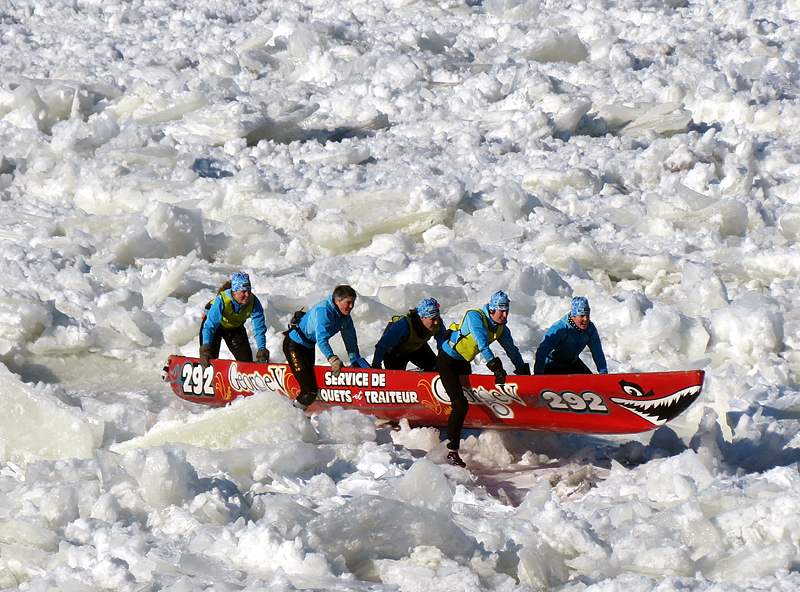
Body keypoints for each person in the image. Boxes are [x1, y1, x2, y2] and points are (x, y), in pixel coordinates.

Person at [437, 291, 530, 467]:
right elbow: (482, 343)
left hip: (463, 362)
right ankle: (452, 452)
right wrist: (495, 368)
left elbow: (512, 350)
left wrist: (521, 369)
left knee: (471, 401)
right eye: (501, 311)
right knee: (460, 404)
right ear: (492, 310)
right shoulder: (475, 317)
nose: (505, 315)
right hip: (447, 361)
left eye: (507, 311)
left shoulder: (500, 327)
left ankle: (462, 428)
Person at [283, 285, 370, 410]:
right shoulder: (324, 311)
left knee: (313, 389)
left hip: (308, 346)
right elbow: (321, 339)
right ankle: (293, 415)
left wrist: (356, 363)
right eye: (348, 303)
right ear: (337, 301)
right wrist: (332, 358)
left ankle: (304, 408)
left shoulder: (345, 317)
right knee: (309, 392)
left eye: (353, 303)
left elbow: (350, 342)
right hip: (294, 346)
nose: (351, 306)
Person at [199, 271, 269, 367]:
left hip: (235, 328)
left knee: (246, 362)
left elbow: (259, 328)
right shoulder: (221, 301)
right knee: (209, 359)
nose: (247, 295)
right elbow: (210, 326)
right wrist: (204, 350)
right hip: (215, 329)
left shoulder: (254, 302)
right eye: (243, 292)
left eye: (249, 291)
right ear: (234, 291)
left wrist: (262, 349)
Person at [534, 296, 608, 375]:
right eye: (582, 316)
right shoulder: (559, 329)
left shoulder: (590, 329)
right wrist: (539, 375)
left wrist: (603, 373)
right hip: (551, 365)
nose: (586, 320)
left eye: (587, 316)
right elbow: (541, 353)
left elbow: (598, 352)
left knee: (592, 383)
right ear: (573, 316)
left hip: (571, 363)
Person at [372, 298, 446, 372]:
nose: (436, 322)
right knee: (397, 377)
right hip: (396, 351)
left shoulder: (438, 325)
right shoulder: (403, 325)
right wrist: (376, 367)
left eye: (437, 318)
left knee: (437, 369)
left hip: (417, 348)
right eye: (432, 319)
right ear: (422, 318)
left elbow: (443, 345)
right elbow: (381, 346)